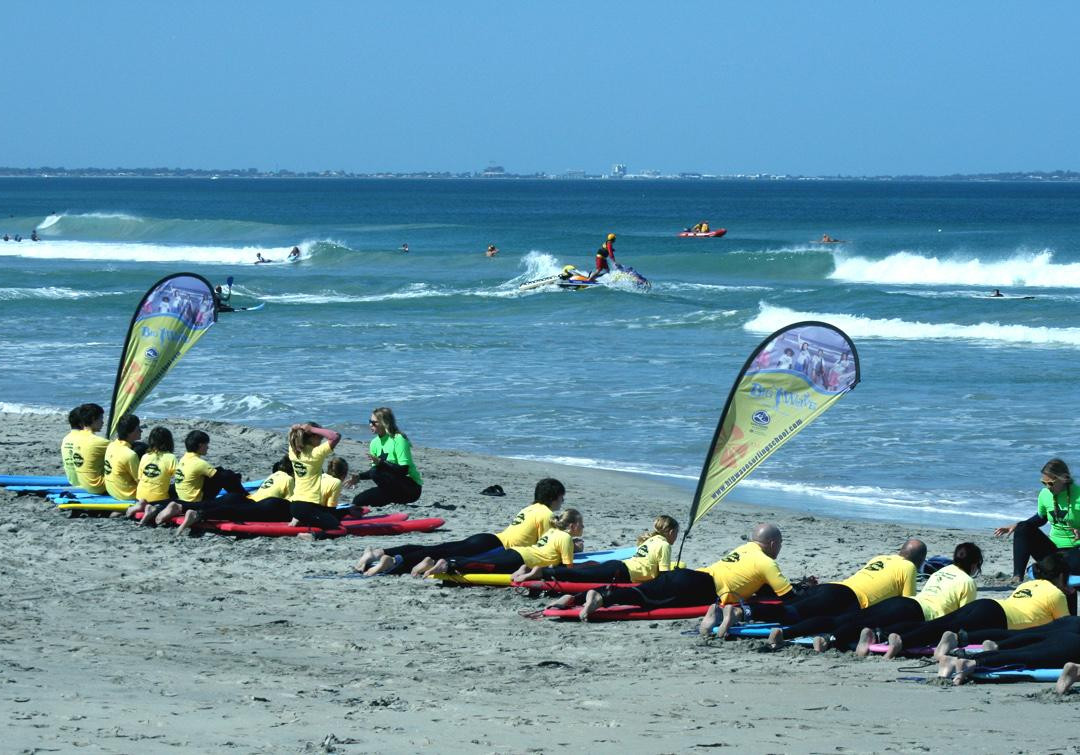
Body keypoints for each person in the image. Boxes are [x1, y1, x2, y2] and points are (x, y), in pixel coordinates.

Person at [557, 524, 792, 631]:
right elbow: (789, 596)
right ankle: (601, 597)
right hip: (697, 588)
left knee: (648, 589)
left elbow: (752, 582)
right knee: (646, 599)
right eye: (779, 544)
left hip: (692, 576)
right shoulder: (767, 562)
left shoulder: (743, 549)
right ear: (772, 543)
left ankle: (577, 597)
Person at [791, 542, 983, 653]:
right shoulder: (967, 582)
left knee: (849, 618)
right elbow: (964, 617)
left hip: (904, 602)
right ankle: (835, 640)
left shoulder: (940, 572)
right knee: (880, 627)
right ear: (974, 565)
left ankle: (795, 633)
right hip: (919, 613)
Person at [357, 478, 565, 576]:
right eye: (561, 498)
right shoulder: (547, 514)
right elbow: (544, 546)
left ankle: (380, 553)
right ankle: (395, 561)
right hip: (494, 548)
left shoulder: (529, 508)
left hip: (487, 537)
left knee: (438, 548)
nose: (562, 503)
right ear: (555, 498)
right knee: (440, 554)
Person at [883, 551, 1070, 659]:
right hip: (998, 618)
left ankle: (885, 634)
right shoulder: (1057, 595)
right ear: (1061, 576)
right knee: (942, 628)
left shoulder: (1028, 584)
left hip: (989, 605)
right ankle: (904, 641)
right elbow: (1064, 629)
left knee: (936, 624)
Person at [755, 539, 926, 642]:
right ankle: (782, 633)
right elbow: (907, 602)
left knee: (789, 606)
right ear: (920, 560)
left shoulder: (881, 557)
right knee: (813, 618)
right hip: (848, 598)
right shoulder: (909, 567)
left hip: (832, 587)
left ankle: (745, 612)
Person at [515, 515, 678, 585]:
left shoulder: (650, 540)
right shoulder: (664, 545)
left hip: (619, 566)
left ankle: (535, 570)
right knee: (582, 576)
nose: (676, 537)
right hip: (623, 574)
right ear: (671, 532)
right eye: (676, 533)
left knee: (586, 571)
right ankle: (542, 572)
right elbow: (663, 577)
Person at [933, 616, 1080, 688]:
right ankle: (971, 661)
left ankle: (963, 660)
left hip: (1067, 634)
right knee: (1027, 656)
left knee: (1024, 651)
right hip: (1072, 645)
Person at [994, 458, 1080, 581]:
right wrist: (1018, 526)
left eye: (1050, 483)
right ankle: (1017, 577)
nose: (1047, 487)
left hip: (1076, 550)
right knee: (1023, 527)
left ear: (1063, 478)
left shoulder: (1078, 495)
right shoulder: (1045, 495)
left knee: (1065, 569)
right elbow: (1041, 518)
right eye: (1043, 483)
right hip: (1054, 551)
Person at [435, 509, 584, 575]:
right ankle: (449, 564)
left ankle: (441, 561)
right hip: (523, 559)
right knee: (485, 565)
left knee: (480, 560)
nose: (583, 527)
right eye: (581, 524)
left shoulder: (552, 531)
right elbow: (568, 569)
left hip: (519, 551)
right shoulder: (566, 539)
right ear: (572, 526)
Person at [154, 430, 249, 525]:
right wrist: (235, 477)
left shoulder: (183, 459)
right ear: (200, 445)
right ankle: (243, 497)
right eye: (206, 444)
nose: (208, 447)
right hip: (195, 500)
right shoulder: (200, 463)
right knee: (226, 475)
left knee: (220, 471)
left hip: (183, 496)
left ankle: (241, 492)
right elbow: (222, 478)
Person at [349, 407, 422, 509]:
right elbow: (376, 471)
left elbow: (404, 470)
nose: (370, 424)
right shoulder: (374, 443)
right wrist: (359, 476)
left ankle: (389, 498)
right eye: (370, 421)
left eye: (374, 422)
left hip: (411, 488)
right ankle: (389, 499)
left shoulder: (398, 439)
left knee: (376, 472)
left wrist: (381, 462)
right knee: (358, 501)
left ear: (384, 423)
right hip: (391, 488)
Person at [284, 422, 342, 530]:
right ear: (312, 437)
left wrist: (294, 429)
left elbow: (291, 436)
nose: (321, 441)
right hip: (308, 506)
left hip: (294, 505)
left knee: (326, 516)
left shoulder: (293, 451)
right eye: (320, 437)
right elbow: (336, 436)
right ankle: (309, 535)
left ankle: (299, 518)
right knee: (336, 526)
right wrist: (312, 429)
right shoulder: (316, 453)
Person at [125, 427, 178, 525]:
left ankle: (141, 504)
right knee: (175, 496)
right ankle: (152, 509)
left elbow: (140, 478)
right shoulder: (171, 457)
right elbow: (179, 479)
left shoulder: (145, 456)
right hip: (158, 499)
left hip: (140, 496)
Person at [72, 403, 110, 494]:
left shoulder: (76, 438)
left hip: (84, 484)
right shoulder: (99, 442)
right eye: (101, 418)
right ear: (93, 419)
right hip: (98, 487)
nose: (103, 422)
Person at [104, 414, 143, 501]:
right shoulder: (130, 455)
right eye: (138, 429)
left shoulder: (111, 445)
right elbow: (141, 482)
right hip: (127, 495)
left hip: (112, 491)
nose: (141, 431)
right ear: (130, 433)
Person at [60, 404, 85, 486]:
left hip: (73, 481)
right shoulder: (87, 439)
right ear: (82, 423)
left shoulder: (66, 439)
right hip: (87, 484)